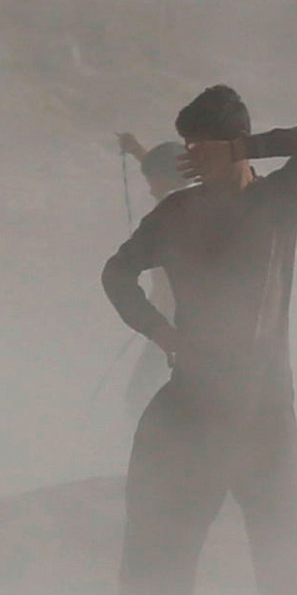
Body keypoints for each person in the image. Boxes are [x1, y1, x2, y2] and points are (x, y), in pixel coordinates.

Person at [97, 86, 297, 595]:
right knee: (158, 561)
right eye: (188, 145)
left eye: (203, 146)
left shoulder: (276, 202)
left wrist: (243, 147)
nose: (191, 157)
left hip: (265, 413)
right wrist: (162, 333)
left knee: (282, 568)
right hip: (191, 407)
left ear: (234, 145)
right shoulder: (178, 212)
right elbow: (116, 273)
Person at [111, 131, 191, 410]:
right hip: (167, 323)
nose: (150, 190)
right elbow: (170, 177)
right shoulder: (185, 203)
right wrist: (137, 151)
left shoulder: (177, 215)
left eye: (152, 183)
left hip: (172, 326)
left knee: (139, 397)